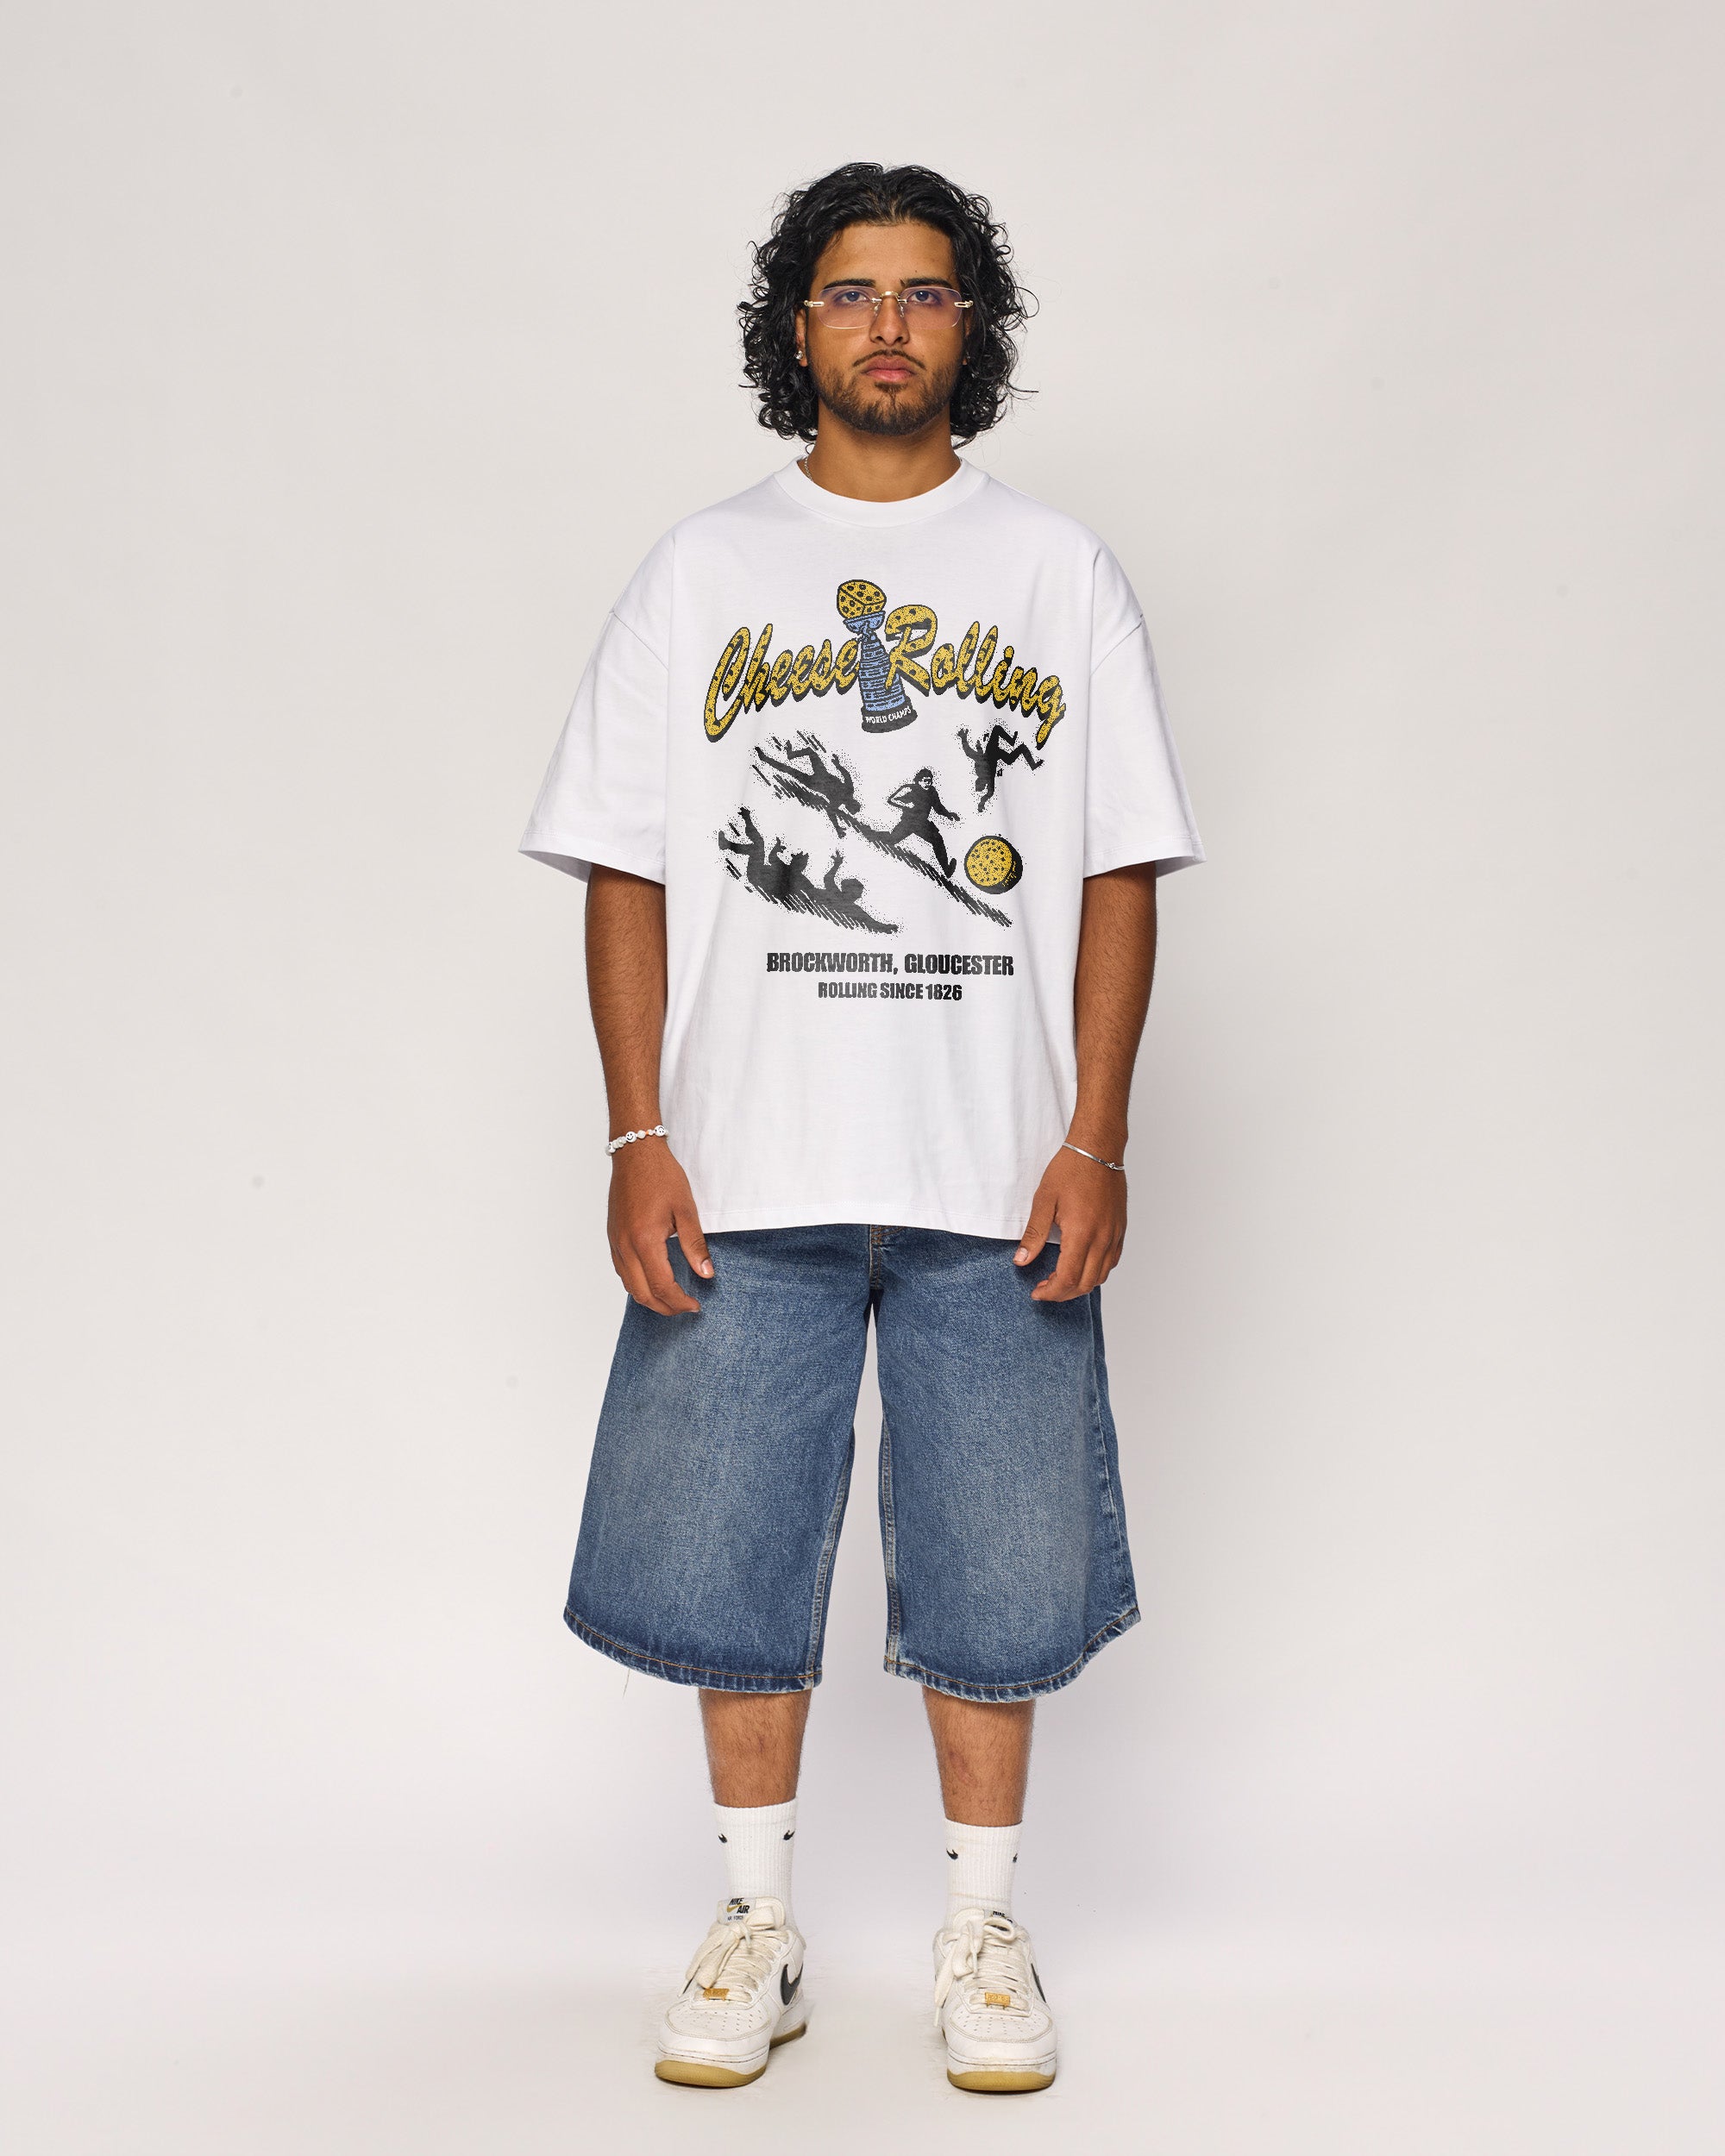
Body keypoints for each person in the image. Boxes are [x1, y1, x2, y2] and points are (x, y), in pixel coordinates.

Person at [519, 161, 1203, 2095]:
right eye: (849, 291)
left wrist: (1097, 1136)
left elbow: (1122, 866)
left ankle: (984, 1927)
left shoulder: (1057, 571)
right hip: (749, 1162)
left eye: (922, 291)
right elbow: (627, 869)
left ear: (971, 327)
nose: (887, 324)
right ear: (795, 326)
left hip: (999, 1167)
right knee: (724, 1551)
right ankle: (758, 1919)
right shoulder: (700, 571)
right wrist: (636, 1135)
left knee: (1003, 1567)